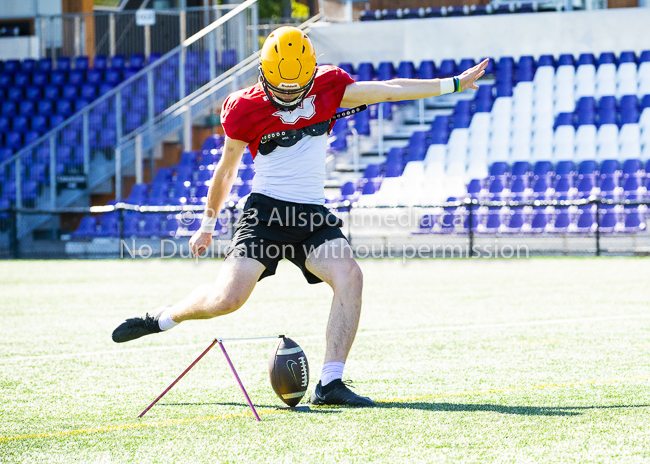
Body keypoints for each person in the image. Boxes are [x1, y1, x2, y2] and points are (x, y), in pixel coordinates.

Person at [112, 26, 488, 407]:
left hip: (310, 215)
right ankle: (163, 318)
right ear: (263, 73)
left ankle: (330, 382)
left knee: (350, 276)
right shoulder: (244, 107)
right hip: (265, 215)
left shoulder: (329, 86)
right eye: (282, 89)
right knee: (226, 300)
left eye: (297, 88)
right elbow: (225, 172)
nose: (290, 95)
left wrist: (453, 84)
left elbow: (391, 89)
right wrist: (207, 226)